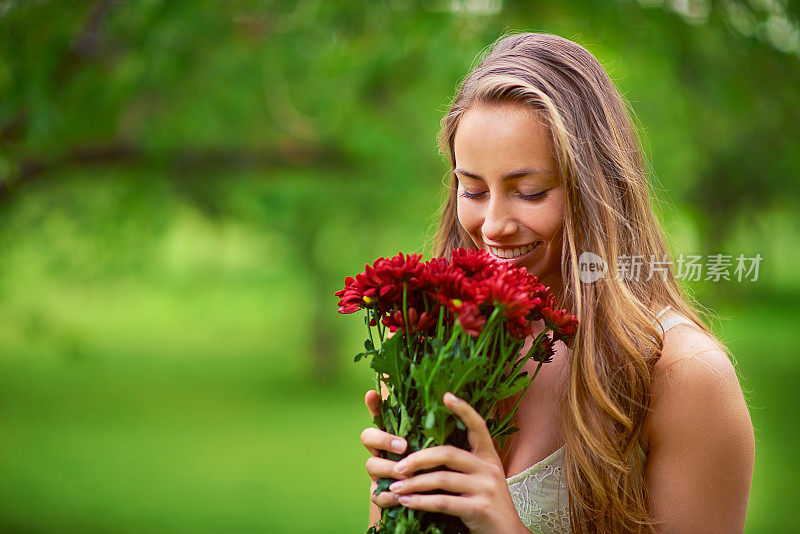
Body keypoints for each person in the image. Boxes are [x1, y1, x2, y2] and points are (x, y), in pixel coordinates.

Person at [360, 32, 754, 534]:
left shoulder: (683, 376)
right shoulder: (432, 344)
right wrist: (395, 502)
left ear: (599, 189)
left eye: (529, 192)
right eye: (473, 189)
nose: (494, 224)